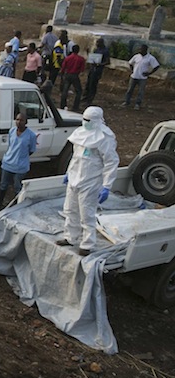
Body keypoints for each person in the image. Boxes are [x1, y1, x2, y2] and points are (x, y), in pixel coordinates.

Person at [57, 106, 119, 256]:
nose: (85, 123)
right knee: (70, 209)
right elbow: (76, 157)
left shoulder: (104, 138)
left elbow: (111, 162)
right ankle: (70, 236)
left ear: (97, 121)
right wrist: (68, 173)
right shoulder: (80, 134)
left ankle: (87, 244)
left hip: (90, 182)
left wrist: (106, 186)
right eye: (84, 119)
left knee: (86, 213)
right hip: (74, 178)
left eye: (88, 120)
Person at [0, 113, 37, 209]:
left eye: (21, 120)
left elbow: (31, 150)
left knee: (18, 188)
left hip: (20, 166)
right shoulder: (12, 131)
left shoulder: (31, 135)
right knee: (3, 185)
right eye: (17, 119)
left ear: (26, 122)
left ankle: (16, 207)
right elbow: (11, 145)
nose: (18, 122)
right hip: (7, 164)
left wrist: (20, 157)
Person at [123, 44, 160, 110]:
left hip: (142, 78)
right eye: (139, 49)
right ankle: (127, 102)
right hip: (134, 76)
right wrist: (132, 70)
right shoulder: (136, 56)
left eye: (141, 49)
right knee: (129, 90)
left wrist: (149, 73)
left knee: (141, 92)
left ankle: (138, 104)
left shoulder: (150, 58)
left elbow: (156, 66)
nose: (140, 50)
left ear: (145, 50)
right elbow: (130, 63)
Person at [60, 44, 86, 112]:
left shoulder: (68, 58)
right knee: (79, 91)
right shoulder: (81, 59)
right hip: (75, 75)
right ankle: (75, 106)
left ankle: (62, 105)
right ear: (78, 50)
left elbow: (63, 68)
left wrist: (62, 74)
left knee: (65, 91)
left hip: (67, 74)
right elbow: (82, 69)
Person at [83, 38, 109, 104]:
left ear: (101, 43)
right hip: (92, 69)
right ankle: (85, 97)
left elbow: (108, 61)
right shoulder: (97, 49)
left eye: (98, 43)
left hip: (97, 70)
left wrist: (99, 64)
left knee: (93, 85)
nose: (96, 44)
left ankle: (90, 99)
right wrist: (88, 53)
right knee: (88, 83)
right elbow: (93, 58)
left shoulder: (105, 51)